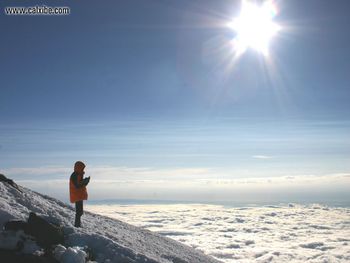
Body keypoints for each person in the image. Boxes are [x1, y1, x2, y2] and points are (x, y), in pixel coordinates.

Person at [69, 161, 90, 227]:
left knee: (80, 212)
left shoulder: (78, 174)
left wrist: (86, 181)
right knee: (79, 212)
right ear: (79, 167)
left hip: (79, 195)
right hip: (77, 195)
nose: (83, 169)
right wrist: (84, 181)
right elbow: (77, 185)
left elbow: (81, 185)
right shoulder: (75, 175)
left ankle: (78, 225)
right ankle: (77, 225)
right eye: (82, 168)